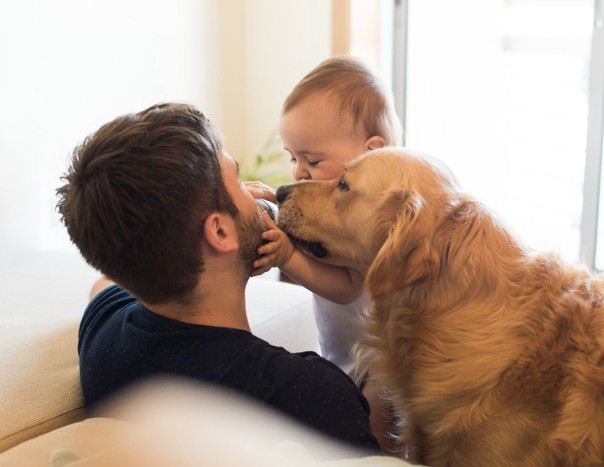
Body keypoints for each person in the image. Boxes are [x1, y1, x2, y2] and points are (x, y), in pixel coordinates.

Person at [55, 102, 379, 454]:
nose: (254, 190)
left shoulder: (102, 329)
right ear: (220, 232)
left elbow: (103, 283)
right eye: (237, 180)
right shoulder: (306, 393)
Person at [251, 56, 403, 454]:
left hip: (380, 364)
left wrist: (288, 256)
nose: (299, 172)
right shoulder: (321, 209)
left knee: (373, 429)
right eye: (292, 157)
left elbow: (347, 289)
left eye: (313, 160)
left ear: (371, 153)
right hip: (339, 353)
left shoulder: (365, 227)